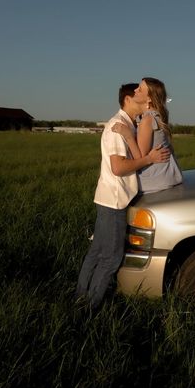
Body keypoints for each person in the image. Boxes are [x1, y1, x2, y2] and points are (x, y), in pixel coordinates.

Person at [75, 83, 170, 310]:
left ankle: (80, 299)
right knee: (111, 258)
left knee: (97, 252)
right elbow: (118, 168)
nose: (142, 97)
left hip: (110, 198)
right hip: (115, 201)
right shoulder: (117, 126)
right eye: (137, 93)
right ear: (128, 99)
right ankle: (90, 308)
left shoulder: (129, 125)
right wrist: (149, 159)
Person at [112, 77, 183, 193]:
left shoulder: (147, 120)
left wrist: (128, 135)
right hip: (166, 178)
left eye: (140, 89)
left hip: (154, 183)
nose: (135, 90)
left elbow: (139, 158)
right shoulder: (157, 116)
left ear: (149, 98)